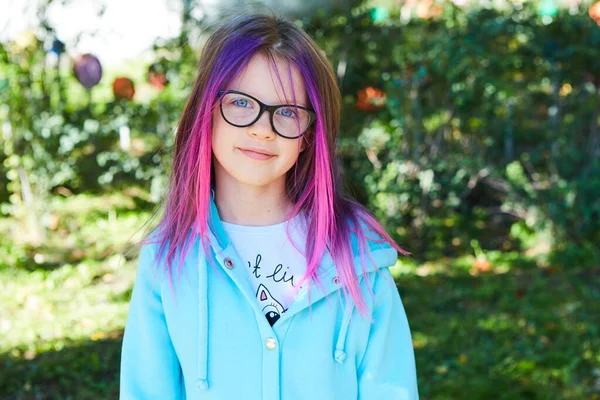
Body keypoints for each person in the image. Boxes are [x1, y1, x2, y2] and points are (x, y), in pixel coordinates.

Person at [120, 9, 419, 400]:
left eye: (288, 112)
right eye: (242, 103)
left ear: (308, 135)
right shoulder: (166, 257)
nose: (262, 128)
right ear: (205, 113)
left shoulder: (358, 255)